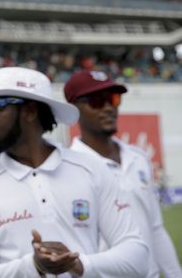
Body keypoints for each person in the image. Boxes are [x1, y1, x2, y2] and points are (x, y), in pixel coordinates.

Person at [0, 67, 148, 277]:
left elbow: (137, 256)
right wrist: (33, 266)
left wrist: (79, 265)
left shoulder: (91, 169)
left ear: (30, 111)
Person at [65, 70, 182, 278]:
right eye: (97, 101)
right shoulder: (68, 168)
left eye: (113, 99)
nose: (109, 107)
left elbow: (155, 228)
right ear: (73, 110)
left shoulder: (138, 158)